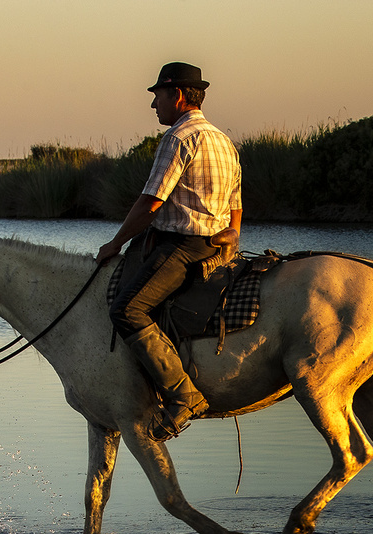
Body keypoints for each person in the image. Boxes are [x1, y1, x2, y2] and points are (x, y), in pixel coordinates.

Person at [97, 62, 242, 441]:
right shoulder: (223, 141)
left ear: (176, 95)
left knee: (126, 310)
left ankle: (182, 396)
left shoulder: (179, 138)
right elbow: (236, 208)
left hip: (182, 247)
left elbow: (152, 201)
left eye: (157, 96)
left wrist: (115, 243)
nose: (153, 106)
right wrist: (230, 239)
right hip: (213, 246)